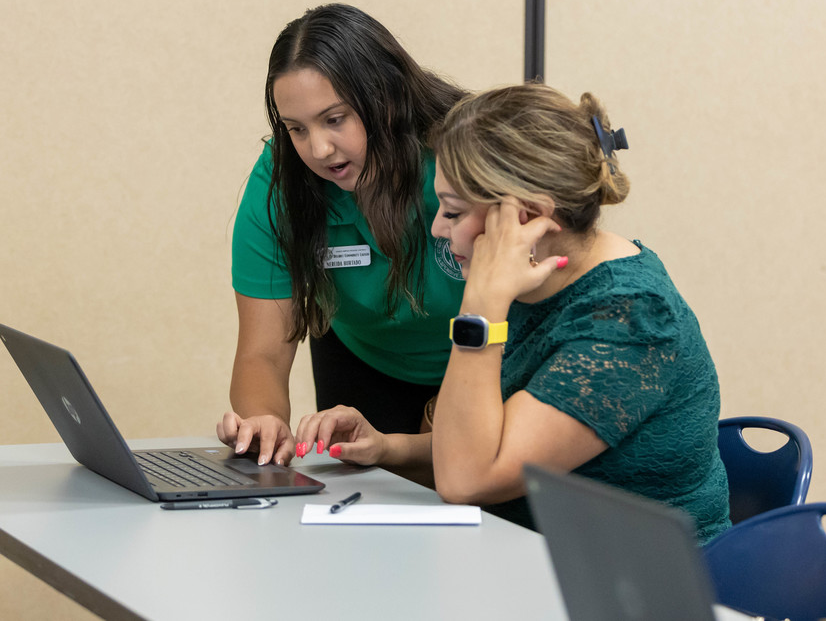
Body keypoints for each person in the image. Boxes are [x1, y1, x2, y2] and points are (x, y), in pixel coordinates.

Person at [294, 83, 732, 543]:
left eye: (453, 211)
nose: (437, 229)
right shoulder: (541, 284)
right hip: (544, 561)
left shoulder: (629, 319)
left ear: (526, 217)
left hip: (644, 589)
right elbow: (493, 443)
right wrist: (387, 448)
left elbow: (468, 480)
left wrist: (481, 308)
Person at [217, 3, 468, 469]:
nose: (318, 149)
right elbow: (262, 353)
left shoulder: (460, 152)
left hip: (485, 355)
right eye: (296, 128)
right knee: (364, 509)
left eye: (335, 119)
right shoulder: (282, 179)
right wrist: (265, 422)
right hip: (364, 359)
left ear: (387, 97)